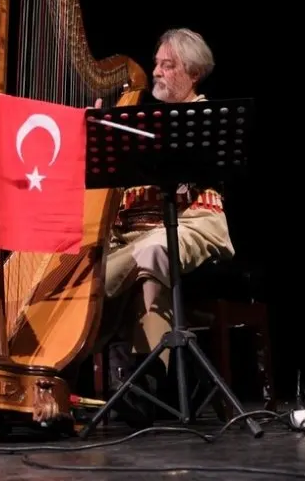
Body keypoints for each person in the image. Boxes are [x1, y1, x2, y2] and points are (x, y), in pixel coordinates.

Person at [95, 27, 236, 422]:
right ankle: (166, 385)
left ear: (192, 73)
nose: (155, 71)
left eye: (167, 65)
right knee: (143, 266)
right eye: (156, 63)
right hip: (131, 234)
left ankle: (97, 302)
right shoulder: (134, 123)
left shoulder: (207, 120)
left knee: (153, 250)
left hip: (194, 223)